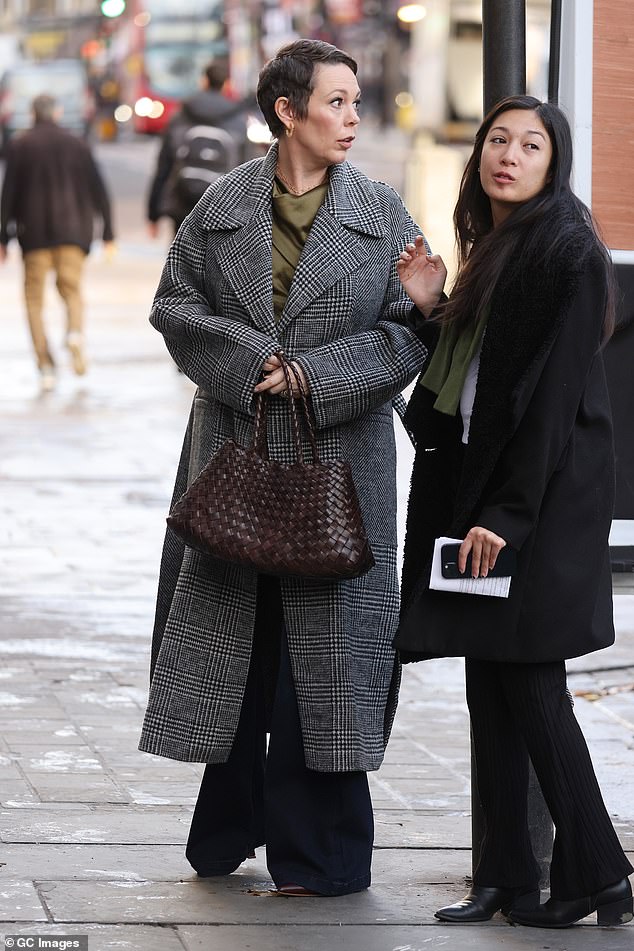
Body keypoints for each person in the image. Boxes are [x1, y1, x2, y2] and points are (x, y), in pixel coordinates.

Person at [138, 38, 429, 897]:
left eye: (354, 103)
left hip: (341, 468)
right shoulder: (224, 205)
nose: (351, 118)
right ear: (286, 112)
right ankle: (230, 826)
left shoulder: (382, 212)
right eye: (334, 102)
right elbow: (174, 305)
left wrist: (312, 373)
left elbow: (411, 331)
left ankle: (321, 854)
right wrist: (248, 359)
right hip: (237, 458)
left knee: (327, 663)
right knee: (240, 646)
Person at [394, 95, 634, 928]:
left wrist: (509, 515)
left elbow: (551, 401)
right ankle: (506, 875)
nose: (509, 154)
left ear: (552, 163)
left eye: (531, 144)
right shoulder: (502, 246)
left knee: (531, 686)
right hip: (486, 494)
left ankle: (600, 871)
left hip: (536, 503)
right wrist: (434, 308)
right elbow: (471, 382)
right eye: (499, 139)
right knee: (488, 684)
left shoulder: (567, 249)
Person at [0, 93, 115, 391]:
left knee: (34, 301)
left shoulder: (20, 145)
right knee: (72, 292)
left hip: (34, 235)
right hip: (74, 232)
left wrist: (3, 236)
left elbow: (8, 194)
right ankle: (75, 333)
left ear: (33, 114)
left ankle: (45, 365)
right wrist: (108, 232)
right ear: (58, 112)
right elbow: (98, 188)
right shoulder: (77, 143)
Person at [147, 61, 249, 237]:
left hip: (183, 203)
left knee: (181, 259)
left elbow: (164, 166)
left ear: (204, 81)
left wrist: (153, 214)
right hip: (221, 208)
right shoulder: (237, 121)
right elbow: (247, 170)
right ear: (226, 84)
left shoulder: (181, 116)